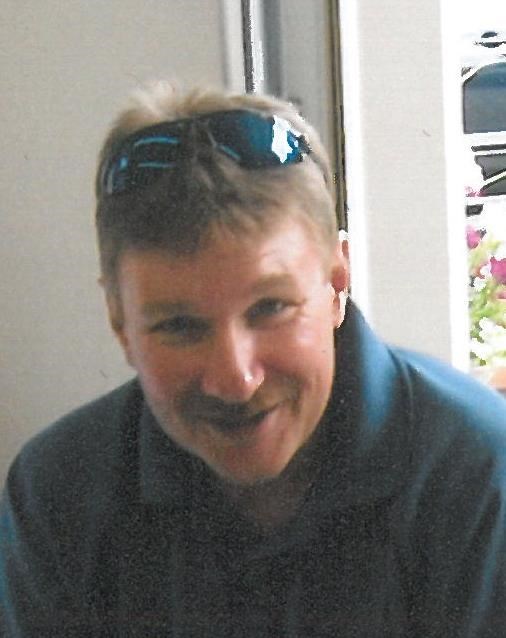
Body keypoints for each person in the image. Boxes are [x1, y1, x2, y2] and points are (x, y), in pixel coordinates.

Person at [1, 81, 506, 637]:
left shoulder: (478, 472)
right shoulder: (58, 492)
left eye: (271, 308)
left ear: (337, 283)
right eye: (179, 327)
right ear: (119, 321)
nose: (236, 379)